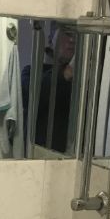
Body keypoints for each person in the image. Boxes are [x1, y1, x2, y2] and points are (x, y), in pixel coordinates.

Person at [21, 26, 76, 154]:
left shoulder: (81, 80)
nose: (72, 40)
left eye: (75, 36)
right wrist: (66, 73)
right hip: (39, 155)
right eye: (67, 34)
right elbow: (31, 96)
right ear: (51, 40)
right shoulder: (31, 71)